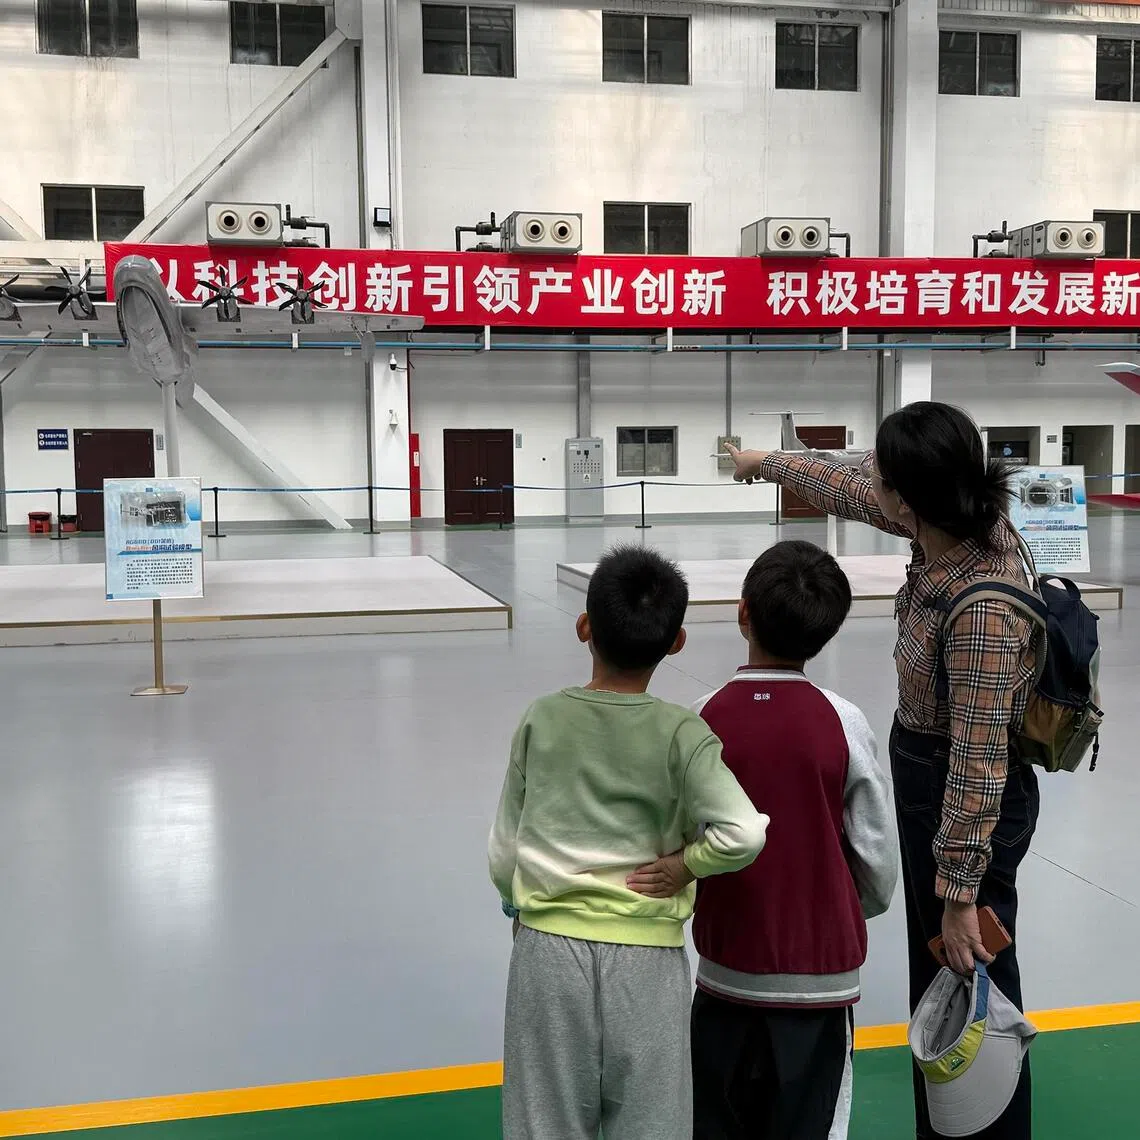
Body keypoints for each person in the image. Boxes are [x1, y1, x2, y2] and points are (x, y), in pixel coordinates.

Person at [724, 402, 1039, 1140]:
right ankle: (949, 1124)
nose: (871, 481)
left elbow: (981, 755)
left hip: (963, 797)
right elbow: (842, 487)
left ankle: (988, 1127)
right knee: (942, 977)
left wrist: (960, 889)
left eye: (882, 475)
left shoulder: (982, 603)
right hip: (933, 774)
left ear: (910, 495)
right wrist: (761, 463)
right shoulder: (943, 521)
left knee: (974, 973)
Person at [488, 544, 769, 1140]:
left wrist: (520, 903)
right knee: (651, 1123)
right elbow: (743, 832)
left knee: (545, 1121)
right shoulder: (682, 733)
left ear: (584, 626)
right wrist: (686, 866)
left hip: (548, 954)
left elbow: (503, 850)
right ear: (677, 643)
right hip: (647, 961)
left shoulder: (542, 719)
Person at [630, 540, 898, 1140]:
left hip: (725, 974)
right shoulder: (845, 723)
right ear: (826, 632)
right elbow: (877, 869)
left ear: (742, 612)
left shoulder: (702, 716)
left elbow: (679, 838)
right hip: (822, 985)